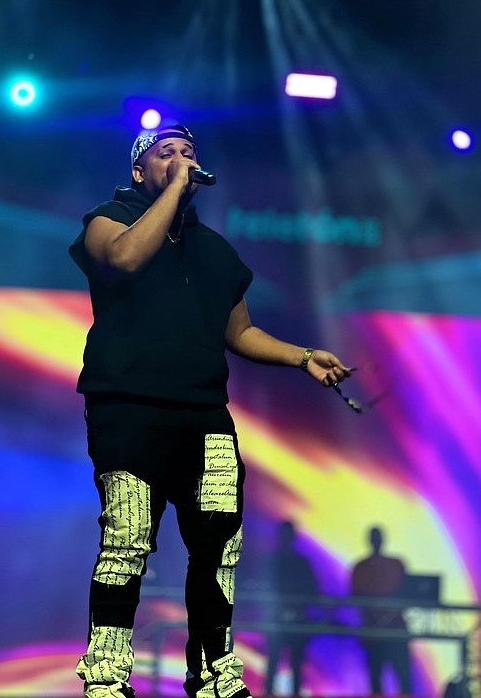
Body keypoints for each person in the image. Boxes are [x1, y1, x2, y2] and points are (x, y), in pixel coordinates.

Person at [69, 123, 352, 698]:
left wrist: (302, 358)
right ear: (139, 171)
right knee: (127, 540)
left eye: (189, 153)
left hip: (203, 415)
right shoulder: (107, 220)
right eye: (166, 154)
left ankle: (212, 673)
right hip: (129, 408)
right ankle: (107, 674)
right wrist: (175, 189)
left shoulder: (215, 250)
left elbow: (239, 332)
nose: (181, 160)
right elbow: (124, 259)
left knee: (220, 545)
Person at [351, 526, 412, 695]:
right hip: (374, 631)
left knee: (401, 675)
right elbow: (356, 596)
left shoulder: (395, 565)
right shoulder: (361, 567)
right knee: (376, 677)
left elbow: (406, 592)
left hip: (394, 629)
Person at [264, 521, 319, 697]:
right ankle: (270, 692)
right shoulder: (273, 562)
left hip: (294, 620)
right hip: (279, 620)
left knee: (294, 663)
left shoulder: (298, 563)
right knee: (275, 662)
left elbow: (312, 590)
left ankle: (281, 692)